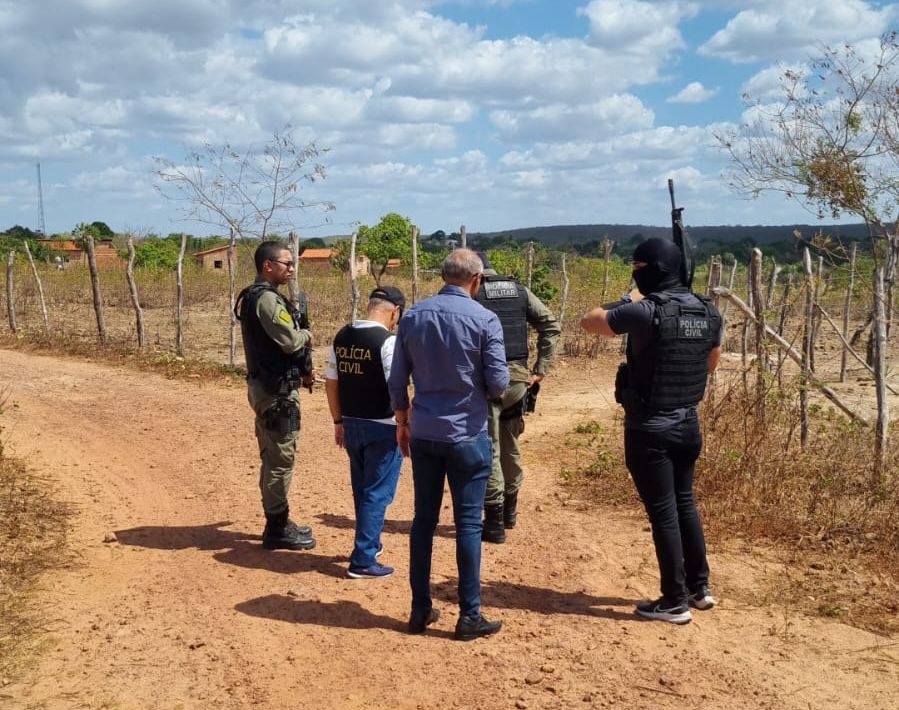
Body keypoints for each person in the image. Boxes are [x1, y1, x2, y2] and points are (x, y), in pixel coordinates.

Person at [580, 238, 722, 625]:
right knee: (684, 503)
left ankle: (674, 600)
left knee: (664, 512)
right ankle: (699, 587)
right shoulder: (709, 311)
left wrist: (626, 299)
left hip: (650, 426)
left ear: (649, 271)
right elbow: (710, 365)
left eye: (638, 267)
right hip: (688, 422)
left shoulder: (644, 312)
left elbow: (590, 321)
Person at [388, 248, 510, 641]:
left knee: (423, 522)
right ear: (475, 280)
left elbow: (396, 381)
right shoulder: (485, 319)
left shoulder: (413, 316)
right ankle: (469, 615)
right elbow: (499, 383)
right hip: (467, 435)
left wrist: (403, 422)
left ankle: (419, 609)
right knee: (469, 524)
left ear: (443, 276)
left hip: (423, 432)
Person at [474, 253, 560, 544]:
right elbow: (551, 324)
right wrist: (540, 369)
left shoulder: (472, 293)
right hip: (518, 381)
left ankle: (494, 523)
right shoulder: (520, 290)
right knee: (509, 443)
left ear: (474, 272)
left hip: (485, 381)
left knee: (491, 448)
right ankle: (510, 512)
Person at [236, 241, 316, 551]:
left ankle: (278, 520)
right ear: (267, 266)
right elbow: (291, 341)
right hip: (276, 393)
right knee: (280, 460)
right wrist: (307, 334)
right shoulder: (267, 300)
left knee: (274, 456)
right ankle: (277, 527)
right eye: (286, 263)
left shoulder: (259, 296)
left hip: (267, 387)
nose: (291, 268)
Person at [324, 286, 406, 579]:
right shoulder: (388, 342)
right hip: (382, 427)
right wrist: (403, 422)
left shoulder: (343, 335)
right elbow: (395, 386)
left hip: (351, 424)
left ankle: (370, 542)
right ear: (394, 312)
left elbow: (330, 381)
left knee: (363, 488)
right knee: (378, 491)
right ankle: (363, 559)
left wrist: (337, 421)